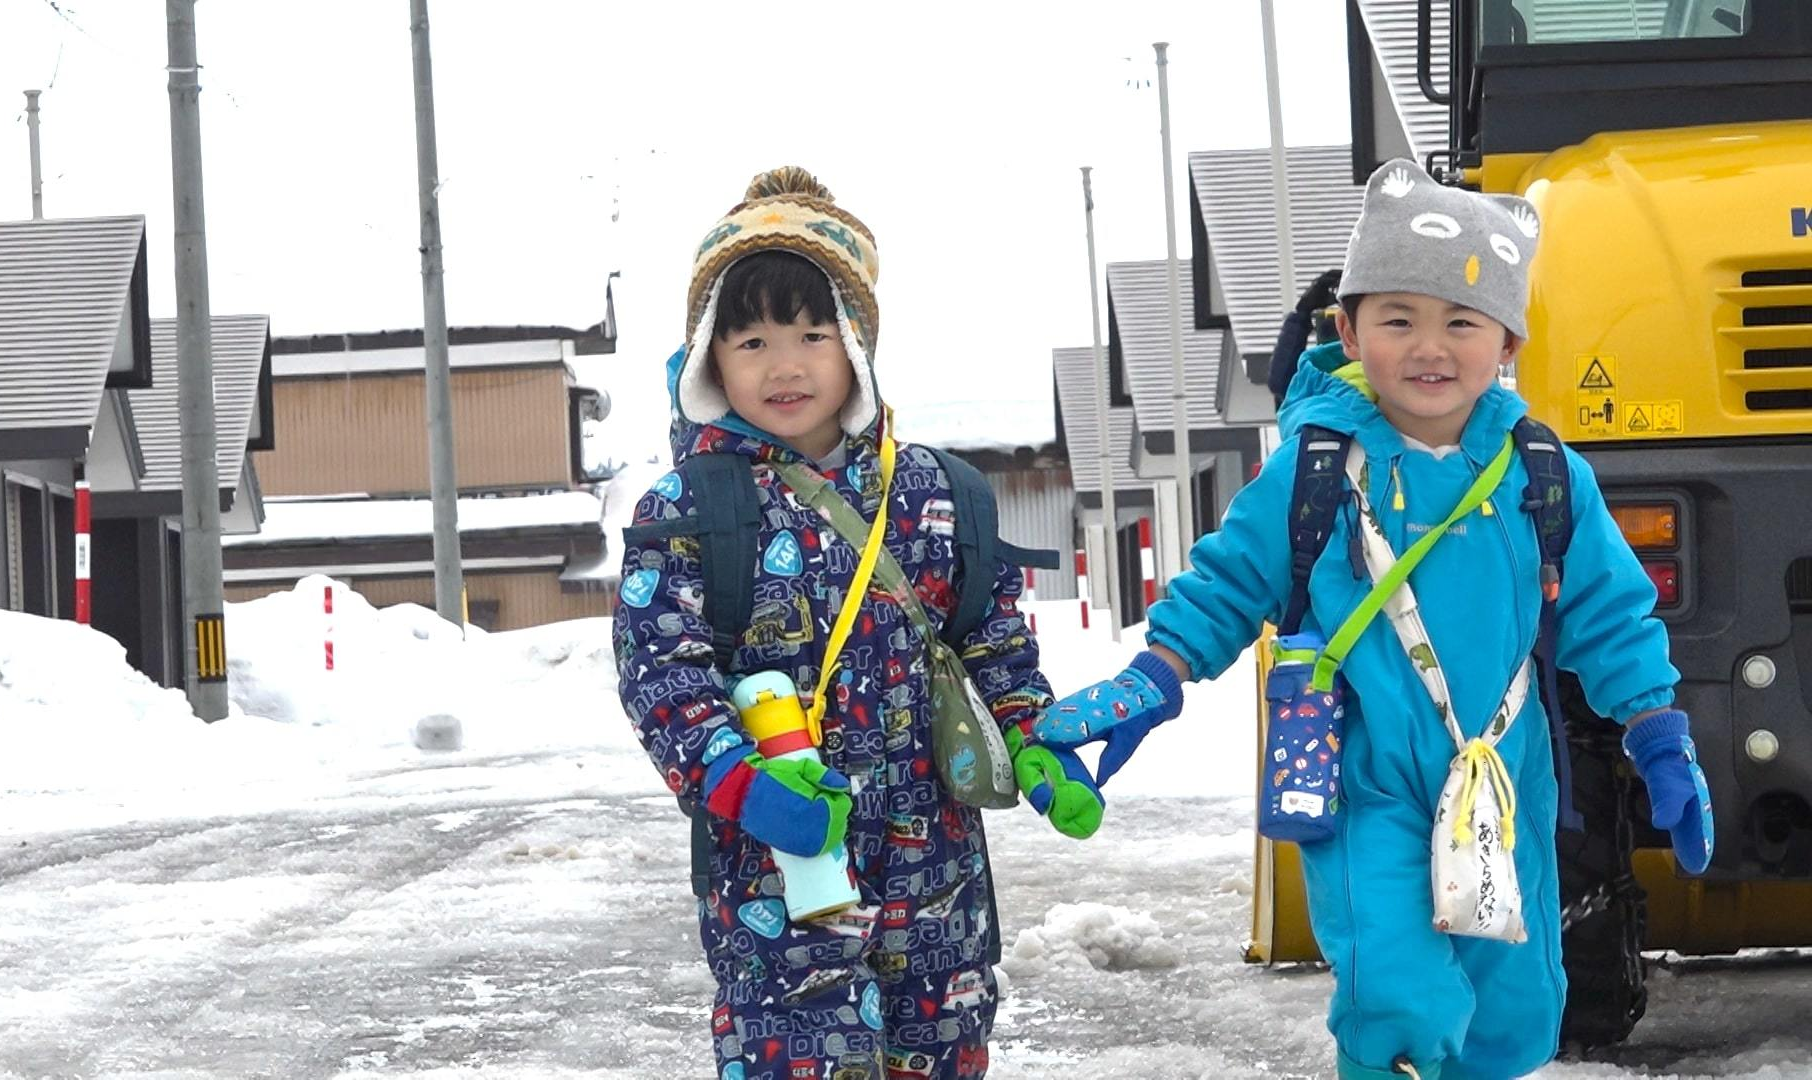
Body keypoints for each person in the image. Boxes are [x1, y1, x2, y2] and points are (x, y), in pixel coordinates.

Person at [1033, 160, 1714, 1080]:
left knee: (1514, 1009)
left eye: (1460, 323)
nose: (1430, 348)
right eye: (1399, 320)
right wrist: (1155, 677)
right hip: (1364, 780)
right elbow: (1228, 580)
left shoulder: (1543, 475)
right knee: (1399, 992)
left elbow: (1611, 611)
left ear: (1506, 340)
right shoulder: (1316, 467)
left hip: (1503, 782)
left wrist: (1658, 733)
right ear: (1351, 331)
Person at [614, 166, 1100, 1080]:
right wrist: (740, 785)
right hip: (784, 870)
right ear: (711, 358)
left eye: (812, 332)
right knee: (809, 1054)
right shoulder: (686, 506)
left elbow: (988, 642)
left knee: (939, 1052)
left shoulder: (936, 493)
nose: (784, 364)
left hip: (937, 867)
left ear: (858, 345)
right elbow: (662, 674)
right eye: (750, 339)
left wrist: (1034, 744)